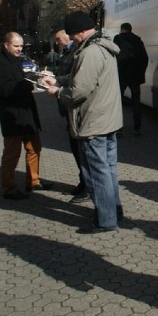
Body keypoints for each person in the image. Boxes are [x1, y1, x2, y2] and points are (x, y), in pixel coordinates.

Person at [44, 12, 124, 233]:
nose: (71, 39)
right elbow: (86, 79)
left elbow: (78, 91)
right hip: (108, 120)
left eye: (71, 34)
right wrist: (59, 80)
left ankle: (105, 220)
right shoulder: (104, 47)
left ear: (80, 31)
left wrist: (57, 91)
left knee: (98, 174)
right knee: (109, 171)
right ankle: (114, 212)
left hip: (93, 123)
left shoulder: (89, 52)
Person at [0, 31, 49, 200]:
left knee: (34, 148)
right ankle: (9, 187)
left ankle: (33, 180)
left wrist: (32, 79)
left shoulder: (18, 60)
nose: (19, 49)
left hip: (27, 113)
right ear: (6, 45)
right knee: (12, 153)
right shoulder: (0, 63)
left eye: (21, 46)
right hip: (13, 116)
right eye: (16, 46)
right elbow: (5, 90)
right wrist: (29, 83)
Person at [53, 26, 87, 202]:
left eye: (59, 38)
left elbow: (76, 79)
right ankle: (83, 182)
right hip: (68, 104)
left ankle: (87, 185)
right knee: (75, 148)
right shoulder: (68, 51)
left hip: (76, 105)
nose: (57, 42)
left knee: (81, 149)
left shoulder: (78, 51)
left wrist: (57, 83)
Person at [113, 22, 149, 136]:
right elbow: (145, 58)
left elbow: (113, 55)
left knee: (117, 102)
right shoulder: (138, 40)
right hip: (134, 76)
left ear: (122, 29)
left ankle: (118, 128)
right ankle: (137, 128)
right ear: (130, 29)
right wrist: (140, 72)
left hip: (121, 75)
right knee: (136, 102)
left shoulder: (118, 39)